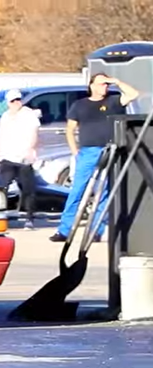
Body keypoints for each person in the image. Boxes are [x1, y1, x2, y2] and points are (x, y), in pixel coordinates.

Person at [53, 73, 141, 242]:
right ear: (91, 85)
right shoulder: (80, 105)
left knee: (104, 192)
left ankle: (96, 231)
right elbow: (70, 130)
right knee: (78, 190)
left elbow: (133, 94)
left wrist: (117, 81)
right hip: (88, 152)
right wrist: (75, 151)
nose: (105, 87)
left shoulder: (114, 101)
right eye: (101, 84)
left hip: (109, 150)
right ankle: (64, 230)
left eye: (106, 84)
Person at [0, 89, 41, 230]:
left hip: (23, 157)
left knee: (28, 188)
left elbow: (34, 133)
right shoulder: (5, 116)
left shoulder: (29, 115)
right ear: (8, 103)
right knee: (2, 186)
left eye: (18, 99)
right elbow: (1, 135)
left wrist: (30, 149)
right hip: (7, 156)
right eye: (13, 101)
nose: (16, 103)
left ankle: (29, 218)